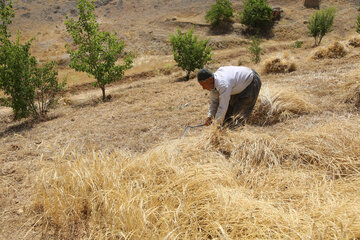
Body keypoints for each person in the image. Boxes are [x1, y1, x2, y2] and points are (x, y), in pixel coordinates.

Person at [197, 66, 261, 128]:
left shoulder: (222, 84)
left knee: (237, 120)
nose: (203, 88)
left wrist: (215, 126)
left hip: (251, 82)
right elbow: (214, 102)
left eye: (203, 85)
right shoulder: (213, 84)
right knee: (226, 120)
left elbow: (223, 106)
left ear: (210, 79)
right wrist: (210, 116)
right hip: (237, 86)